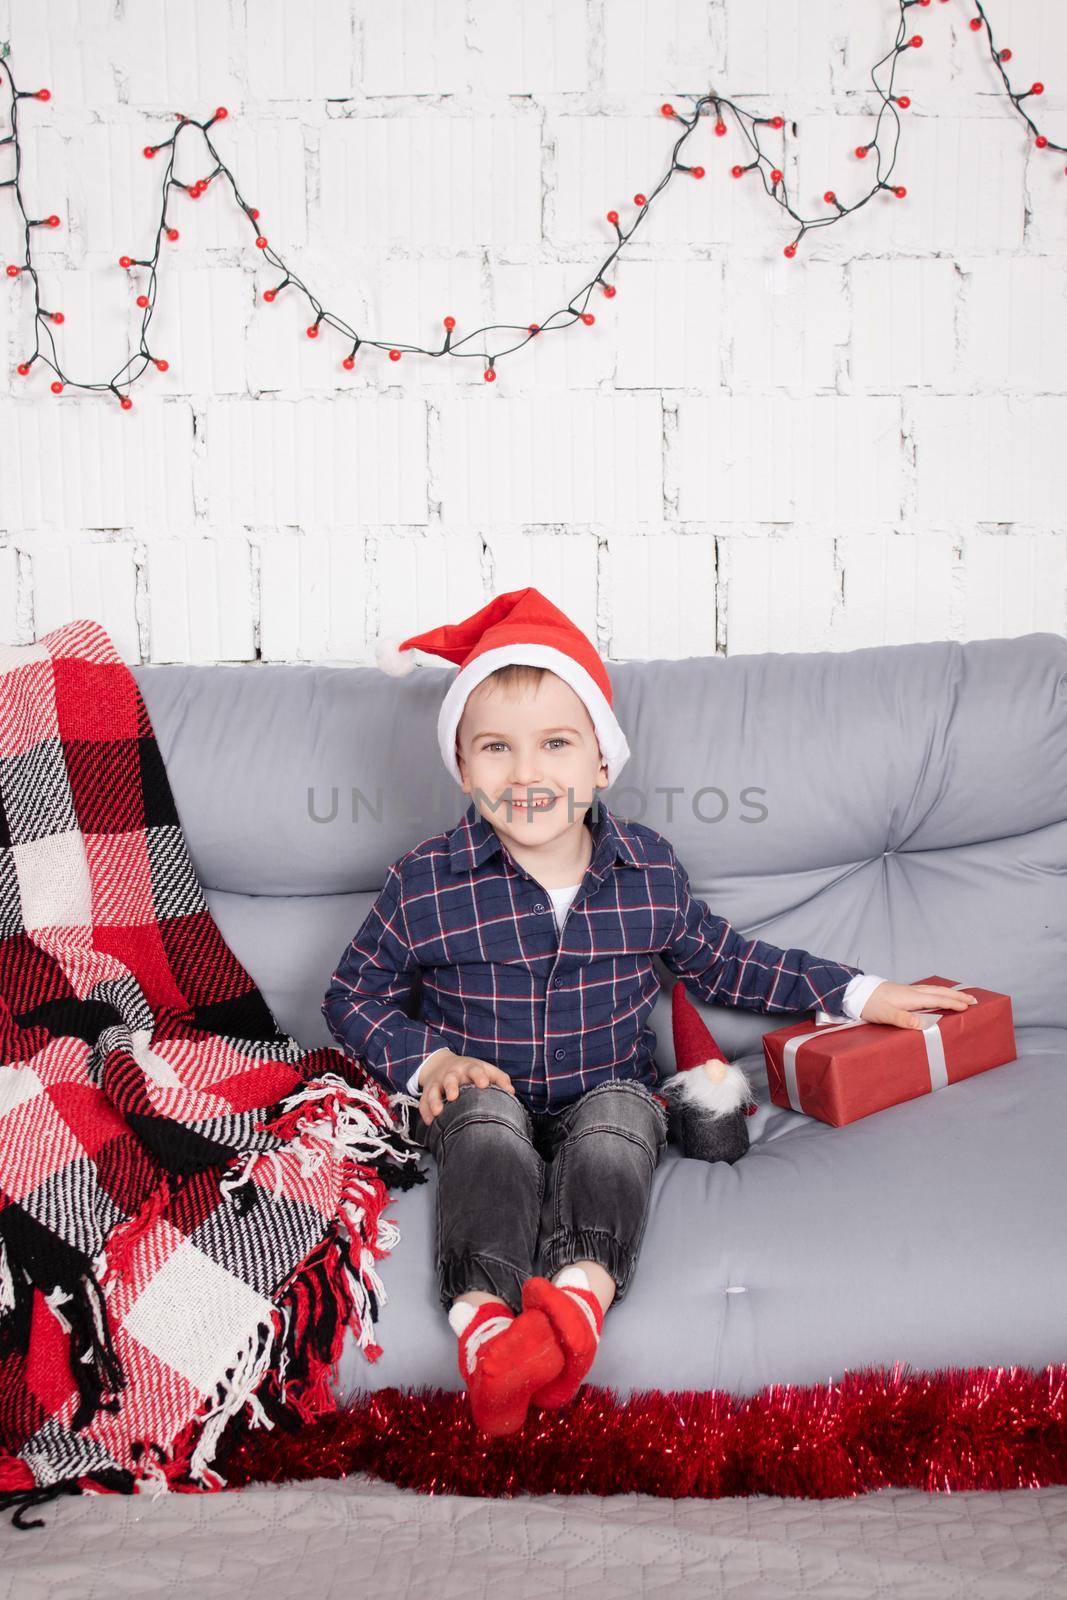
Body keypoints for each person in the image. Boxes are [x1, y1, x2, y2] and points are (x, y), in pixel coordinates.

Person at [321, 588, 978, 1437]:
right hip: (486, 1091)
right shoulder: (425, 881)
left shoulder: (646, 872)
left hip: (607, 1088)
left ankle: (576, 1300)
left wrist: (861, 993)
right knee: (484, 1128)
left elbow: (730, 960)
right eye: (495, 748)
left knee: (623, 1122)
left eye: (556, 744)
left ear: (601, 763)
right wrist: (429, 1063)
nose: (526, 774)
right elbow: (352, 996)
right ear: (462, 767)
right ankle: (484, 1320)